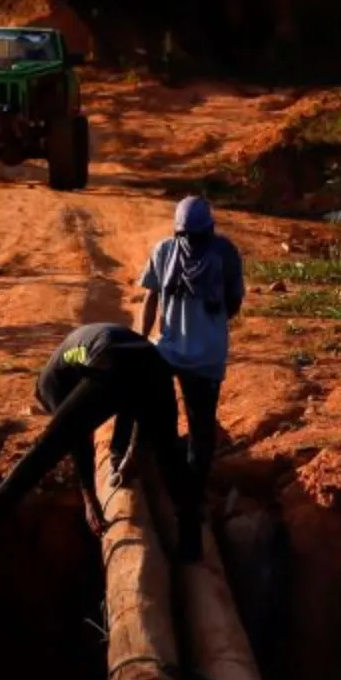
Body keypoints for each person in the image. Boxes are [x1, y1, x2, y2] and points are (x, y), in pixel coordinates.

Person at [0, 323, 201, 560]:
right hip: (153, 363)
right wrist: (129, 455)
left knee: (46, 448)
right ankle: (192, 541)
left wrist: (88, 496)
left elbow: (75, 439)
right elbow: (135, 408)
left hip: (113, 360)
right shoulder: (76, 355)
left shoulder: (49, 384)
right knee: (170, 456)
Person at [134, 195, 244, 519]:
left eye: (195, 236)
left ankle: (189, 495)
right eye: (188, 236)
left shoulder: (187, 252)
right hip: (184, 352)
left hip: (189, 356)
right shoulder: (177, 251)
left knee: (197, 427)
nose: (191, 242)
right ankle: (155, 475)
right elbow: (232, 304)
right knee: (183, 421)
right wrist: (144, 341)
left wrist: (147, 339)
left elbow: (152, 299)